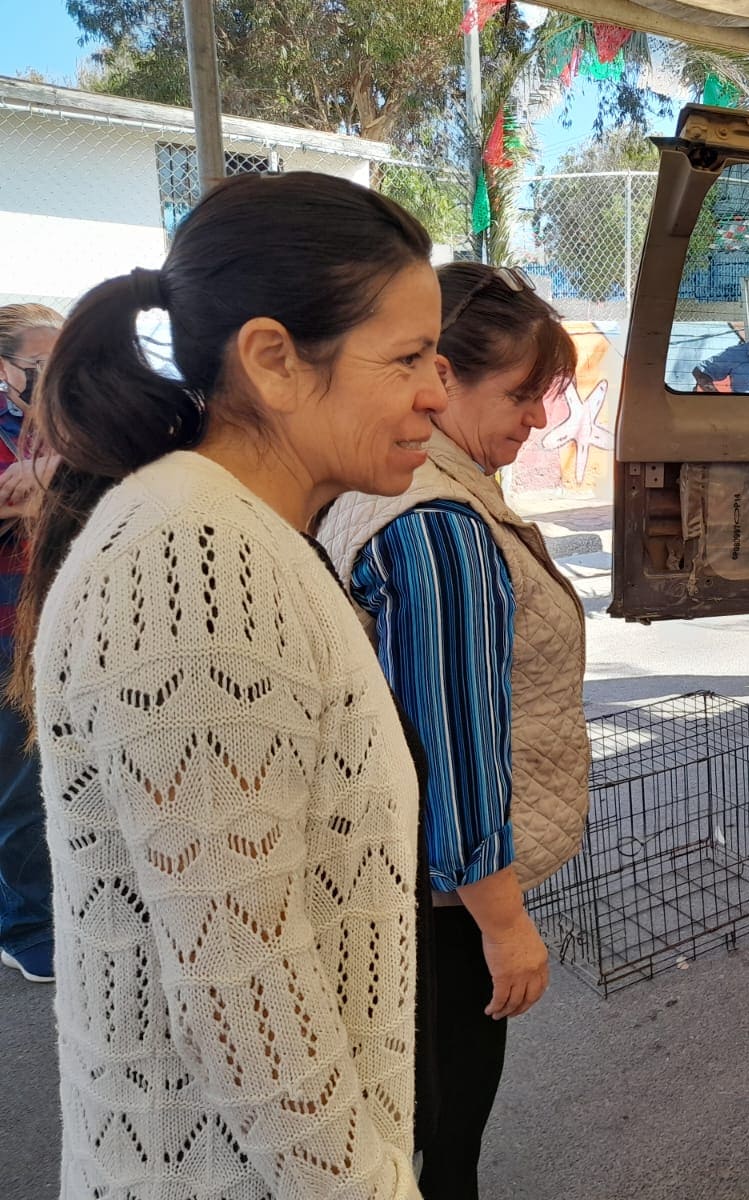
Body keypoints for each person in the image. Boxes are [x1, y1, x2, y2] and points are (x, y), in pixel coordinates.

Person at [14, 173, 442, 1198]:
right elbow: (246, 991)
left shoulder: (225, 532)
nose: (437, 388)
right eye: (409, 357)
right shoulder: (192, 557)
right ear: (272, 360)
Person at [318, 262, 590, 1200]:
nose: (542, 419)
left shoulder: (415, 487)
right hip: (434, 908)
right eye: (521, 394)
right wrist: (506, 928)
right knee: (442, 1134)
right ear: (441, 379)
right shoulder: (438, 524)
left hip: (403, 885)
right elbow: (454, 747)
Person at [0, 303, 62, 984]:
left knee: (47, 780)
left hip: (51, 626)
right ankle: (24, 929)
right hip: (5, 634)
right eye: (36, 366)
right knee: (18, 789)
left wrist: (54, 481)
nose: (49, 379)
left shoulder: (72, 428)